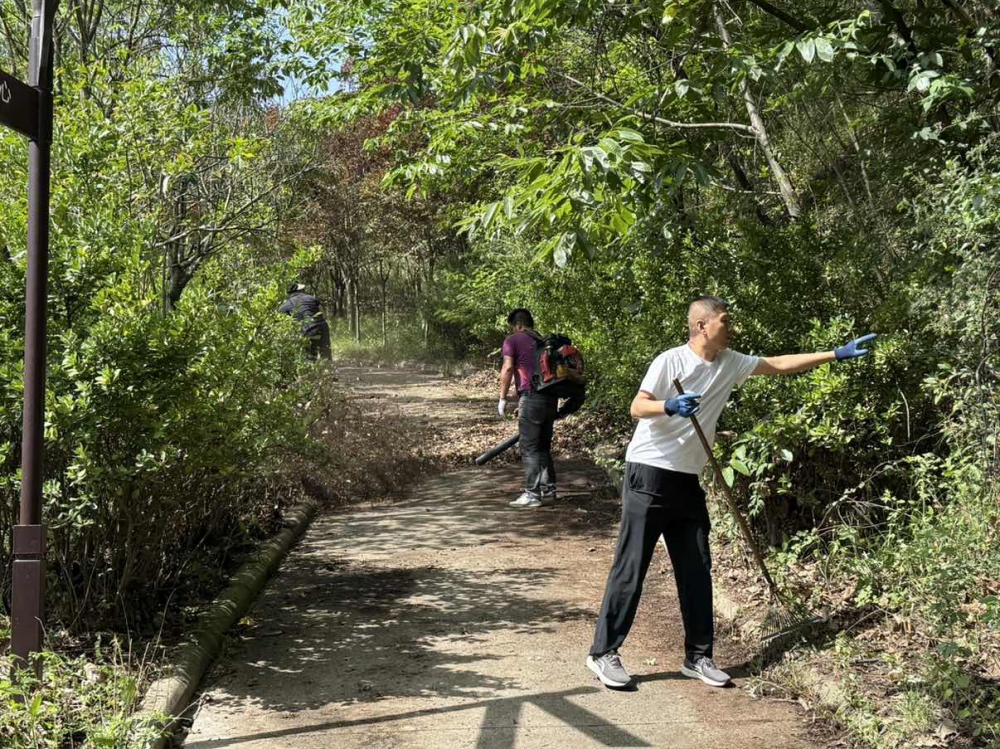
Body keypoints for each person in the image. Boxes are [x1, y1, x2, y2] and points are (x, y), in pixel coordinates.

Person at [586, 295, 875, 689]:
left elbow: (777, 364)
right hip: (649, 473)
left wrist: (835, 354)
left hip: (687, 479)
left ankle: (698, 657)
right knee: (632, 565)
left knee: (696, 567)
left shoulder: (730, 362)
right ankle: (603, 653)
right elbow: (637, 407)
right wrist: (669, 406)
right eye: (725, 320)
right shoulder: (670, 361)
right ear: (702, 325)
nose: (732, 327)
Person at [498, 308, 582, 508]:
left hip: (531, 398)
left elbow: (508, 368)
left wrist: (502, 398)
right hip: (551, 399)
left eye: (512, 327)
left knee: (529, 448)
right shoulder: (543, 342)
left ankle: (532, 494)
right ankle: (549, 491)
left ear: (518, 325)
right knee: (543, 446)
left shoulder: (513, 340)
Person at [279, 283, 331, 360]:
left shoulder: (284, 306)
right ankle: (328, 364)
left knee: (310, 357)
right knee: (326, 355)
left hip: (306, 331)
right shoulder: (311, 298)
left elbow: (283, 324)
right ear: (300, 291)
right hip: (321, 327)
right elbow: (323, 313)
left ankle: (312, 363)